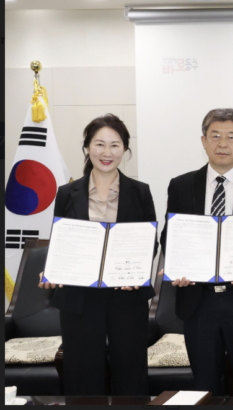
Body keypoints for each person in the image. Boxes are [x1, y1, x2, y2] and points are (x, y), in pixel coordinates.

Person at [158, 108, 233, 396]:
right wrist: (178, 265)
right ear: (203, 141)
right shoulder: (181, 185)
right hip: (198, 299)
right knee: (205, 386)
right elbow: (171, 234)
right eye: (215, 136)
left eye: (231, 137)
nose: (222, 144)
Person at [38, 114, 157, 395]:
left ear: (125, 149)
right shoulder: (67, 193)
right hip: (79, 297)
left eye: (115, 145)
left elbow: (149, 242)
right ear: (87, 148)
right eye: (99, 144)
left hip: (126, 296)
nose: (107, 152)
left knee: (131, 374)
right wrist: (52, 269)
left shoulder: (140, 192)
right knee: (82, 375)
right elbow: (61, 240)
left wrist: (137, 271)